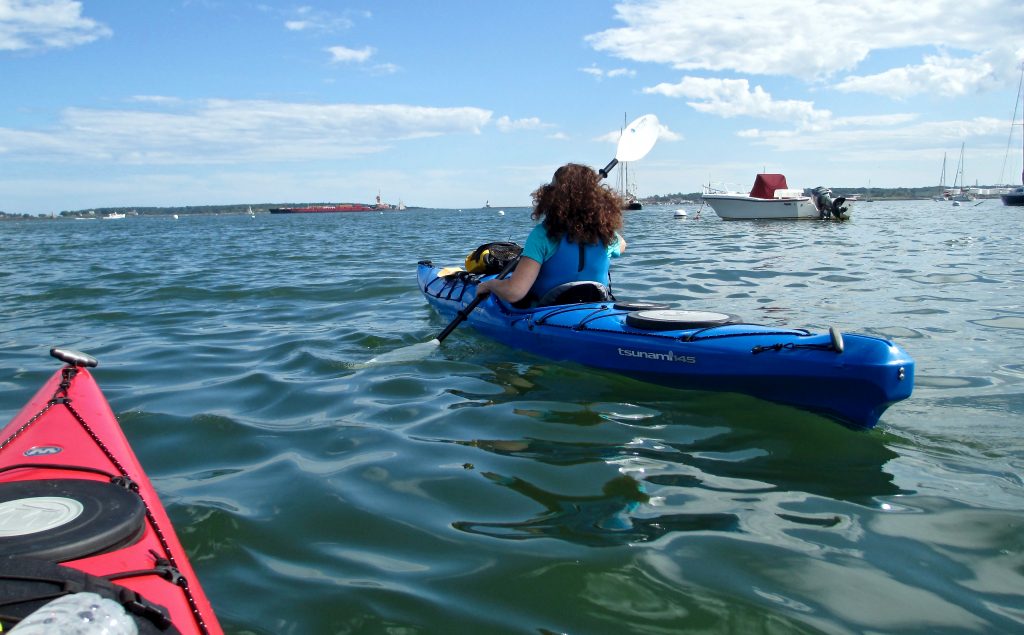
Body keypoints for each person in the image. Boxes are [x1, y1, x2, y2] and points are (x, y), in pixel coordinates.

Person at [476, 163, 627, 306]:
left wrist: (490, 285)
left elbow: (514, 293)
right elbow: (622, 244)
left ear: (552, 197)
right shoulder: (605, 234)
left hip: (547, 312)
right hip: (595, 309)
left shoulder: (543, 236)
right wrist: (606, 230)